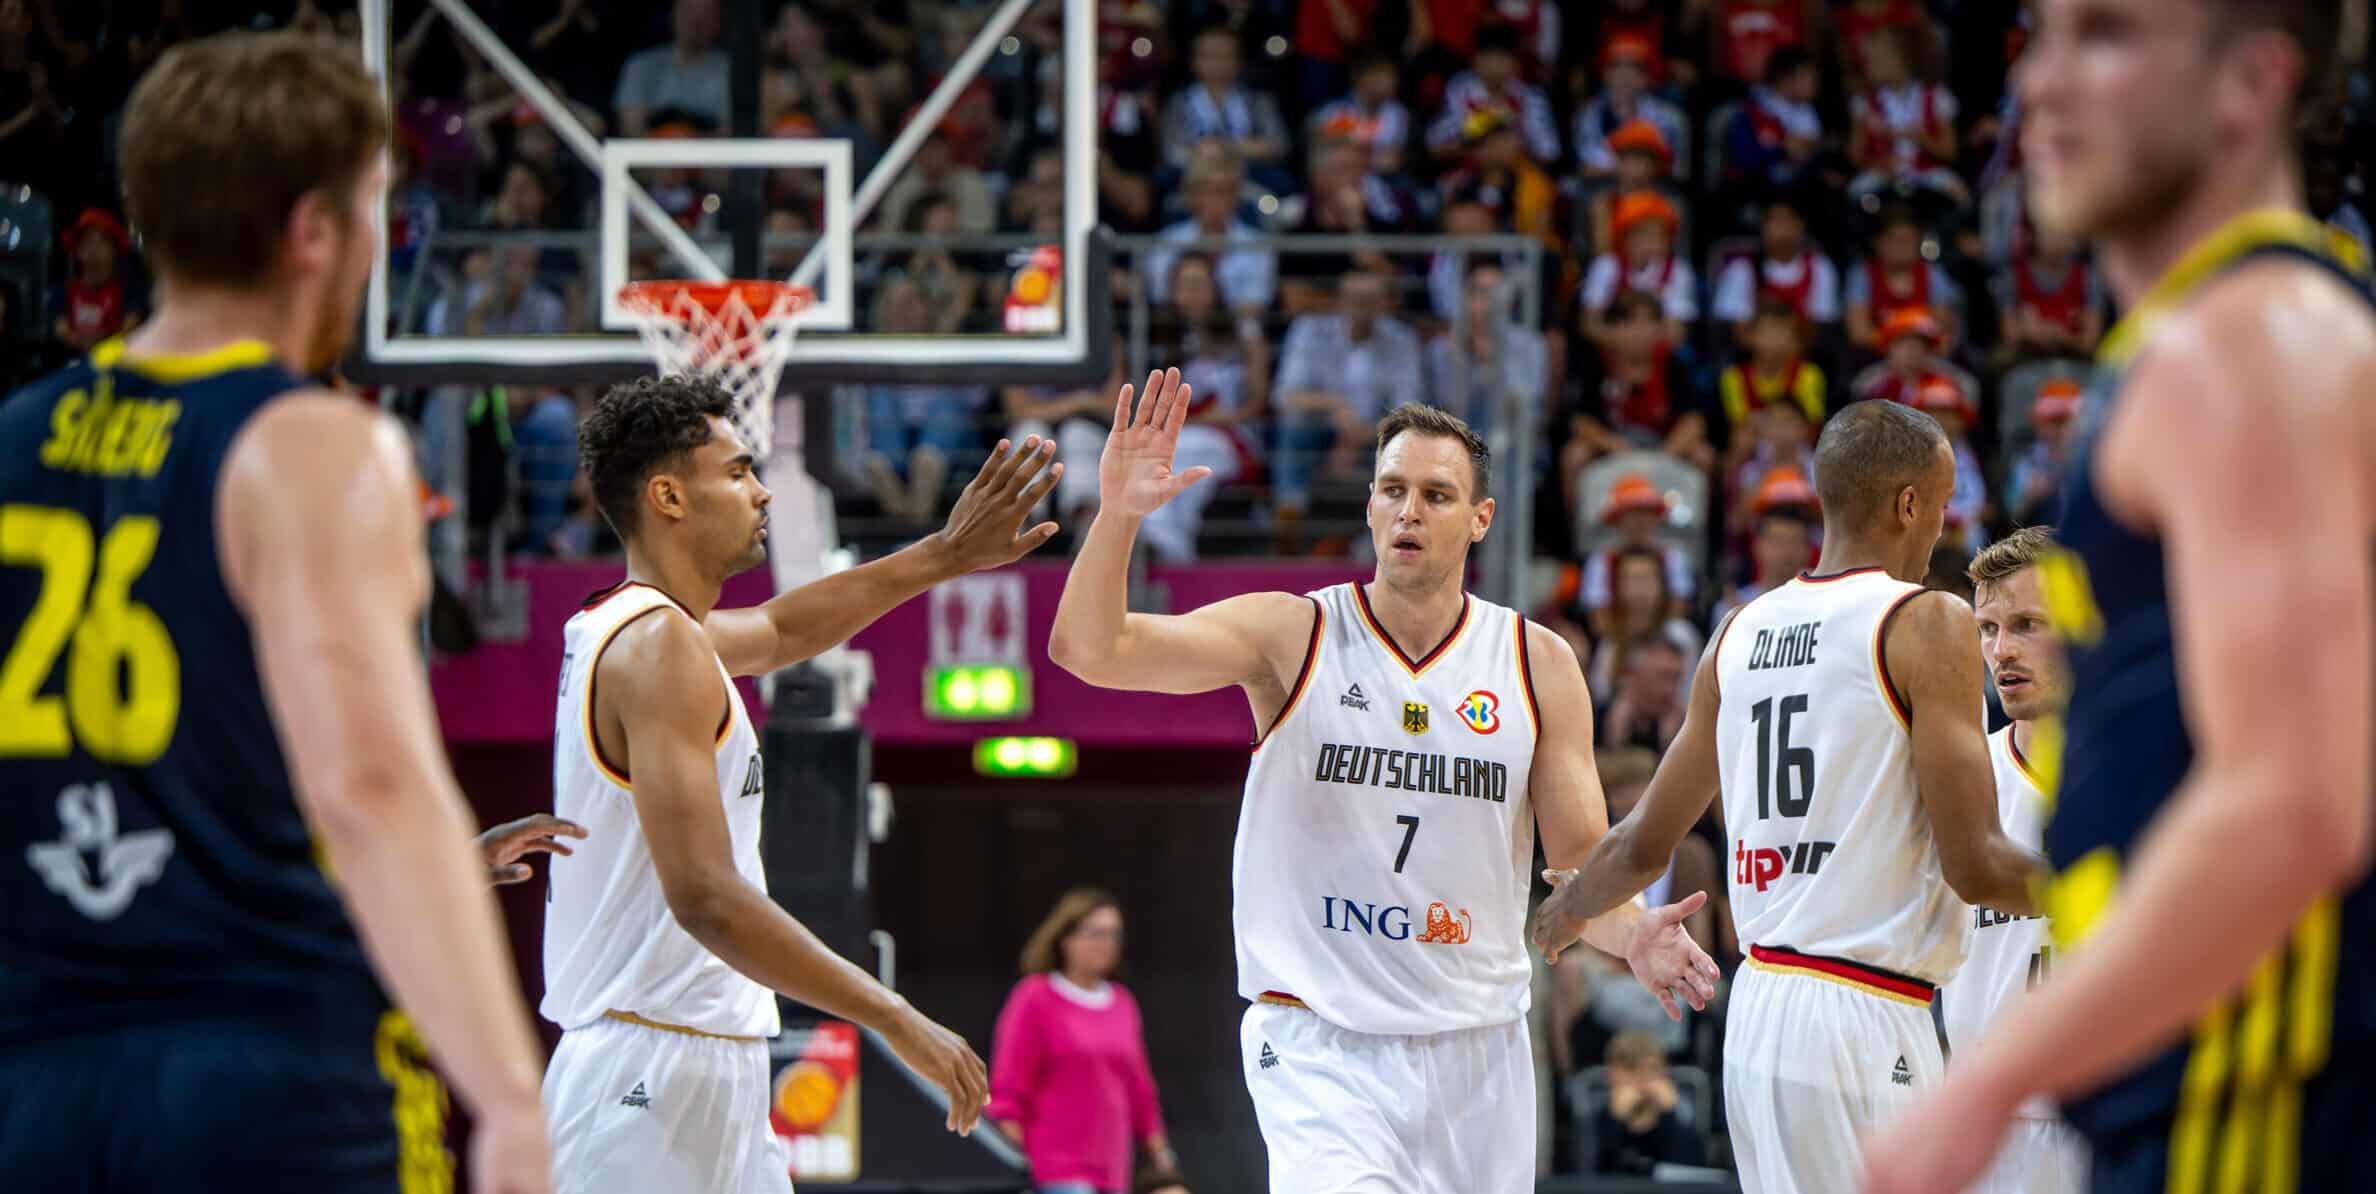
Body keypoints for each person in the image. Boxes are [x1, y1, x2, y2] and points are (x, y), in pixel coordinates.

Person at [0, 32, 557, 1193]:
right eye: (372, 209)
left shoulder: (10, 440)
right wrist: (507, 1099)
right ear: (312, 230)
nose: (374, 245)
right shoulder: (311, 446)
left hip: (39, 1084)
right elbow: (369, 788)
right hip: (265, 1068)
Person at [1863, 1, 2376, 1190]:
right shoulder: (2246, 330)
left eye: (2107, 34)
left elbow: (2294, 801)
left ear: (2253, 81)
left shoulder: (2244, 347)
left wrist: (1985, 1084)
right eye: (2038, 35)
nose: (2040, 83)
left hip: (2251, 1093)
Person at [1049, 373, 1719, 1194]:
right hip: (1322, 1044)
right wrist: (1117, 514)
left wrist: (1633, 934)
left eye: (1437, 495)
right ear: (1369, 506)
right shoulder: (1292, 635)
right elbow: (1090, 650)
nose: (1409, 511)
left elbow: (1578, 870)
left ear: (1480, 521)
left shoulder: (1536, 663)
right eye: (1393, 490)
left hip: (1480, 1051)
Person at [545, 378, 1064, 1191]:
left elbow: (785, 629)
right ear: (669, 495)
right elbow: (707, 898)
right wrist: (892, 1014)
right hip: (645, 1066)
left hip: (701, 1059)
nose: (759, 491)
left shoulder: (650, 628)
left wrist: (947, 553)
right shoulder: (657, 647)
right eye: (739, 471)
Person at [1533, 400, 2043, 1194]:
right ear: (1909, 504)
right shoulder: (1927, 620)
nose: (1943, 527)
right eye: (1942, 507)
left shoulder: (1738, 631)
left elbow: (1639, 845)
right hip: (1864, 1014)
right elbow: (1975, 866)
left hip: (1760, 1015)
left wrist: (1565, 915)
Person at [1933, 527, 2091, 1194]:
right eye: (1987, 628)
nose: (2001, 651)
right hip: (1991, 1124)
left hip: (2113, 1111)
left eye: (2027, 625)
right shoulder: (1960, 782)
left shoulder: (2151, 771)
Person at [988, 889, 1173, 1194]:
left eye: (1114, 935)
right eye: (1096, 933)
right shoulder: (1035, 997)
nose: (1106, 945)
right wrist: (1009, 1140)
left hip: (1113, 1168)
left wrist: (1159, 1149)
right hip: (1055, 1167)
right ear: (1066, 938)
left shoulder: (1122, 1003)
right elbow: (1010, 1081)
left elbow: (1139, 1087)